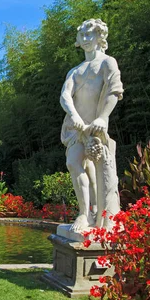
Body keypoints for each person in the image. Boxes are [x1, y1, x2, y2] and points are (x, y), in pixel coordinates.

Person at [60, 18, 123, 231]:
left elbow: (114, 91)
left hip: (96, 127)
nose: (86, 39)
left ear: (99, 37)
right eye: (83, 35)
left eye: (90, 35)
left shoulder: (107, 62)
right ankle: (84, 214)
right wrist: (75, 116)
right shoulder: (75, 71)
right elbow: (65, 95)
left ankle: (100, 212)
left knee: (97, 170)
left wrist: (103, 117)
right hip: (76, 128)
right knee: (73, 163)